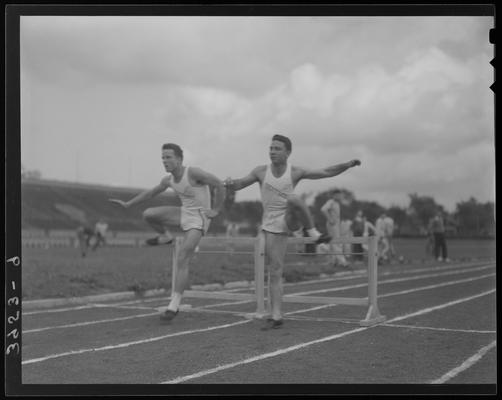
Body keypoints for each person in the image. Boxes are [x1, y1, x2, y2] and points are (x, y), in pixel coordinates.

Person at [224, 134, 360, 330]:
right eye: (271, 148)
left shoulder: (295, 172)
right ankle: (276, 314)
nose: (272, 152)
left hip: (290, 219)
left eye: (277, 148)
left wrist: (347, 164)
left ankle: (313, 234)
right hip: (270, 224)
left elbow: (326, 172)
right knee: (275, 270)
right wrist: (228, 183)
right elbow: (239, 184)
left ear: (288, 152)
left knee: (294, 199)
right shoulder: (260, 171)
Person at [109, 143, 226, 322]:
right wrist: (128, 204)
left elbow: (219, 184)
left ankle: (175, 303)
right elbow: (151, 193)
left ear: (179, 159)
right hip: (184, 214)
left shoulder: (194, 173)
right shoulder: (168, 180)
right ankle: (166, 236)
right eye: (163, 158)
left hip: (200, 217)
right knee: (148, 214)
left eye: (168, 157)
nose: (165, 161)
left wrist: (216, 210)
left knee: (182, 256)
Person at [320, 190, 349, 268]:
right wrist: (329, 219)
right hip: (332, 224)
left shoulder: (337, 203)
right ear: (334, 195)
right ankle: (343, 262)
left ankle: (333, 261)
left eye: (340, 195)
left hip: (336, 224)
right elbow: (323, 209)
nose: (340, 197)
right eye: (338, 195)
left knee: (332, 243)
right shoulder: (331, 201)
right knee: (337, 242)